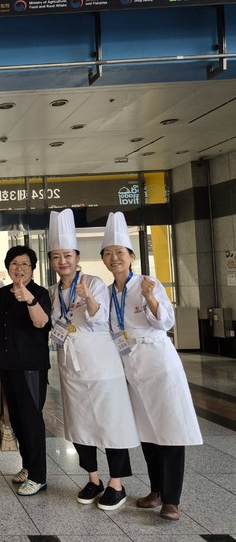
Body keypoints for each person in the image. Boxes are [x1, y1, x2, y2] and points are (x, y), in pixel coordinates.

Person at [101, 212, 202, 521]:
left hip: (158, 364)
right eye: (108, 253)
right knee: (147, 432)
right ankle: (156, 490)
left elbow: (165, 322)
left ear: (131, 256)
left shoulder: (148, 283)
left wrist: (151, 299)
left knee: (169, 429)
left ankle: (172, 500)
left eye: (120, 252)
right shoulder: (108, 293)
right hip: (131, 368)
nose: (114, 258)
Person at [47, 209, 139, 510]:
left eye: (68, 255)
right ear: (51, 261)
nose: (63, 261)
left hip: (101, 363)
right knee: (79, 423)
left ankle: (117, 483)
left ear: (77, 257)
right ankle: (93, 478)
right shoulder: (52, 292)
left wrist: (87, 296)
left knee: (111, 421)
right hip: (70, 366)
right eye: (57, 256)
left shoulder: (95, 282)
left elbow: (101, 320)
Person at [0, 245, 51, 496]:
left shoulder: (39, 293)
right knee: (16, 419)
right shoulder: (2, 293)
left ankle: (38, 476)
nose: (19, 268)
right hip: (8, 365)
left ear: (32, 268)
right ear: (8, 267)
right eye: (14, 263)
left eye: (25, 264)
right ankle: (28, 465)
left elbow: (41, 323)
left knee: (31, 420)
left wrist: (30, 300)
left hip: (30, 367)